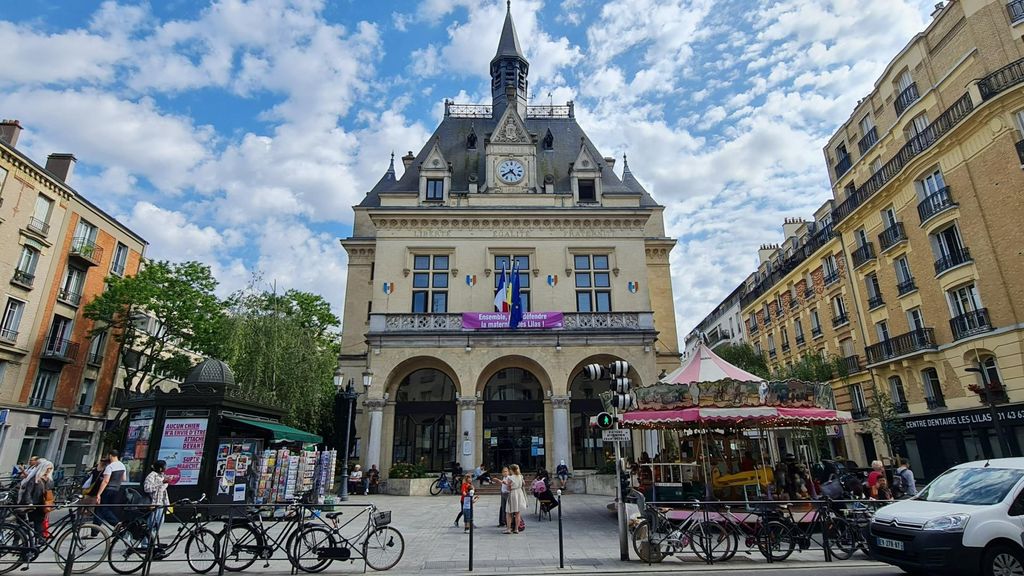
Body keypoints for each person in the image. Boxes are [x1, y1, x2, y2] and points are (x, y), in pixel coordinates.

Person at [18, 458, 54, 542]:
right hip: (31, 505)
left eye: (50, 469)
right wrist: (29, 503)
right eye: (47, 468)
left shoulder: (49, 481)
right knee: (22, 525)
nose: (49, 470)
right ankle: (16, 542)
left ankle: (40, 540)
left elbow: (51, 494)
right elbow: (28, 492)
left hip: (41, 505)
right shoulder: (35, 479)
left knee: (39, 522)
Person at [94, 449, 126, 527]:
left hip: (107, 489)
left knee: (103, 509)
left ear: (110, 455)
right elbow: (124, 478)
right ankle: (94, 530)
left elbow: (106, 481)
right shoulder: (122, 465)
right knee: (99, 510)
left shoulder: (110, 466)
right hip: (116, 489)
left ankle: (116, 523)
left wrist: (99, 494)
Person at [143, 460, 171, 542]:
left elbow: (164, 491)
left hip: (161, 503)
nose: (166, 468)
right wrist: (161, 483)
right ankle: (145, 542)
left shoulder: (162, 475)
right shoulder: (151, 476)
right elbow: (147, 488)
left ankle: (151, 540)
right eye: (165, 466)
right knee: (151, 523)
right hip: (154, 503)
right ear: (160, 468)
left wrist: (167, 504)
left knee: (159, 523)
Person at [504, 464, 527, 534]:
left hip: (513, 494)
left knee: (509, 512)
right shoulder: (520, 476)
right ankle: (516, 529)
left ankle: (508, 529)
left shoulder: (510, 478)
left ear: (512, 470)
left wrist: (507, 484)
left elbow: (508, 488)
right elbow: (524, 484)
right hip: (519, 493)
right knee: (517, 512)